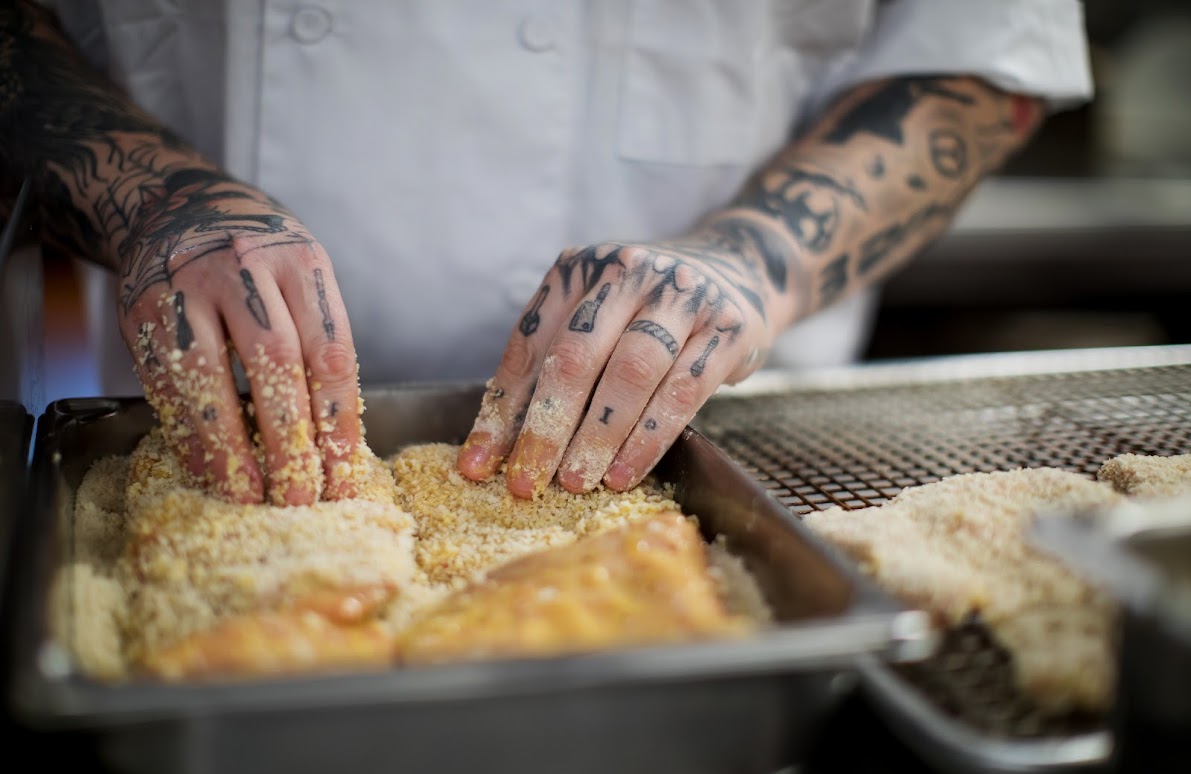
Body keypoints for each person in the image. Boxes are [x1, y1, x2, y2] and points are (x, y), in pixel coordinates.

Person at [1, 0, 1093, 505]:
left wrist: (754, 259)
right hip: (208, 438)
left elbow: (980, 52)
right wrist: (151, 195)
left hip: (728, 447)